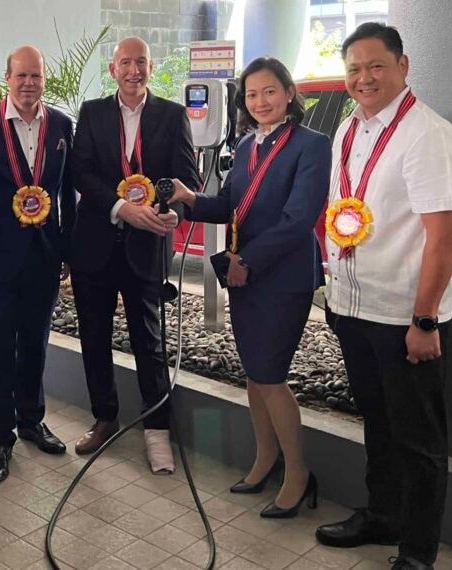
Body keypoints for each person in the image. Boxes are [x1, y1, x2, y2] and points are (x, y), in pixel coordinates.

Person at [312, 23, 452, 570]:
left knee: (419, 440)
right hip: (354, 308)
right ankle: (383, 515)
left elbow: (444, 238)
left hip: (405, 318)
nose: (364, 78)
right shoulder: (347, 128)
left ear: (402, 66)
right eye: (354, 68)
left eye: (376, 65)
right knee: (377, 422)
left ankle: (417, 553)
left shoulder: (427, 135)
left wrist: (424, 320)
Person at [169, 57, 330, 516]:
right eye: (252, 94)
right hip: (245, 277)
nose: (260, 102)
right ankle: (265, 459)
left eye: (269, 91)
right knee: (254, 375)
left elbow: (299, 218)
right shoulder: (244, 145)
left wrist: (248, 260)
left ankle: (298, 473)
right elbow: (231, 205)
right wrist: (189, 198)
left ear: (290, 93)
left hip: (282, 277)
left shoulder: (312, 145)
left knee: (271, 375)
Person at [69, 37, 197, 474]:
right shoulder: (92, 112)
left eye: (140, 62)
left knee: (149, 340)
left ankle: (157, 430)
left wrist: (172, 214)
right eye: (125, 63)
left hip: (147, 246)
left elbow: (186, 178)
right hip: (95, 245)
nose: (133, 70)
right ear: (113, 69)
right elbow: (81, 172)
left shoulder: (172, 115)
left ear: (151, 67)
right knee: (94, 335)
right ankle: (104, 417)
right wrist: (121, 208)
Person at [0, 45, 75, 483]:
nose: (29, 83)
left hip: (43, 256)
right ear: (6, 78)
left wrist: (67, 250)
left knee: (34, 344)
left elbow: (66, 194)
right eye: (21, 75)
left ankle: (31, 420)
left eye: (36, 76)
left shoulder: (61, 125)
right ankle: (0, 438)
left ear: (44, 79)